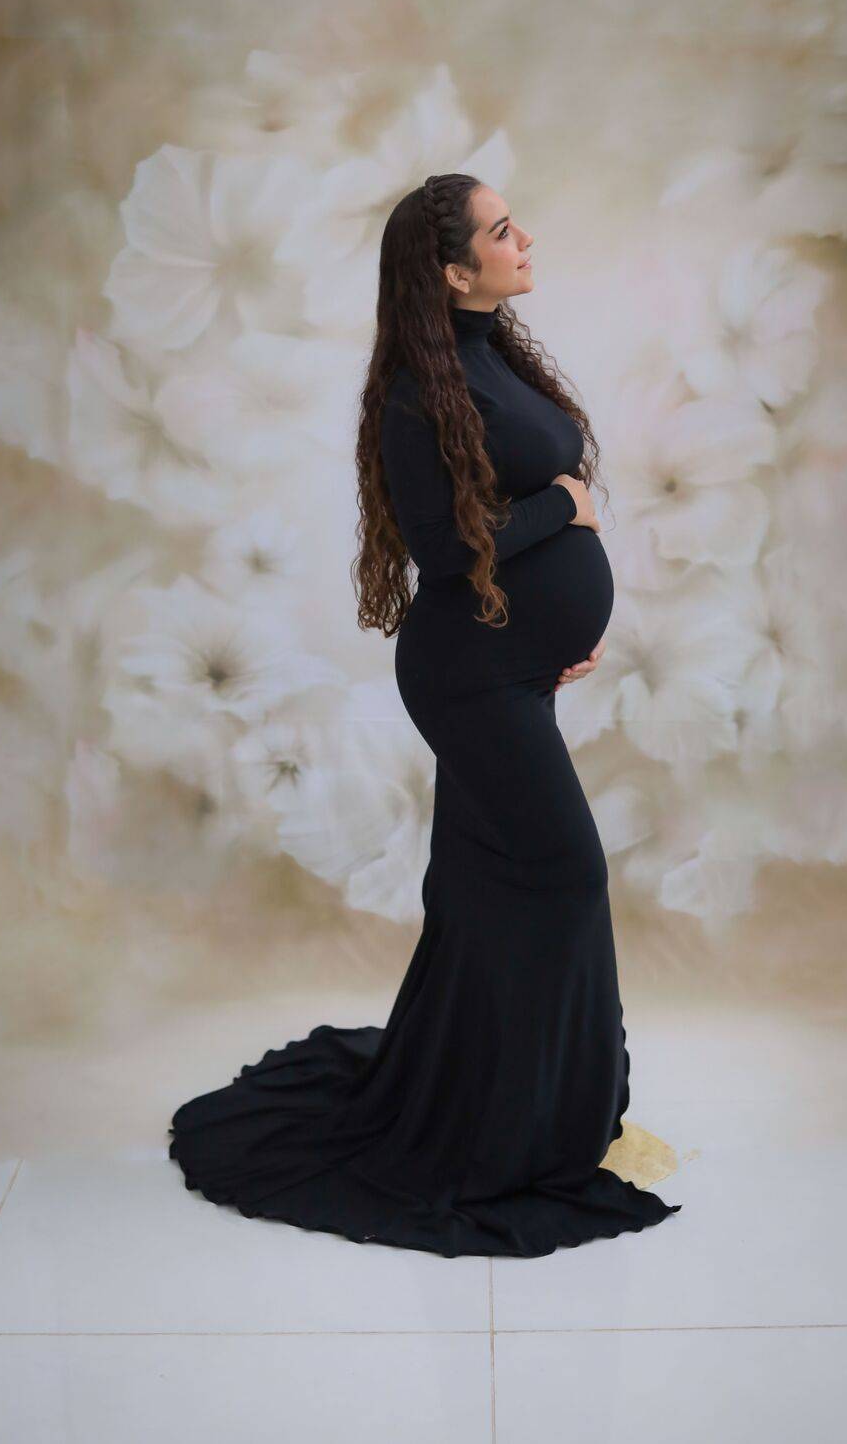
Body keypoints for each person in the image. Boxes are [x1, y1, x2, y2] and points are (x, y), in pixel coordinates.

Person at [167, 173, 682, 1258]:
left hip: (510, 671)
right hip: (468, 678)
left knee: (482, 891)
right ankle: (530, 1137)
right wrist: (566, 510)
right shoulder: (417, 394)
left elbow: (509, 515)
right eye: (501, 230)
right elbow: (446, 553)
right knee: (563, 876)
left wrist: (554, 629)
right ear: (451, 271)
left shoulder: (491, 356)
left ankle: (503, 1111)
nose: (524, 236)